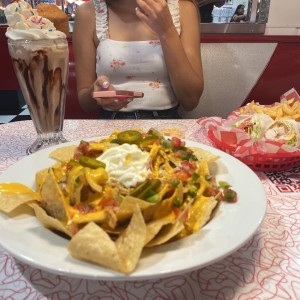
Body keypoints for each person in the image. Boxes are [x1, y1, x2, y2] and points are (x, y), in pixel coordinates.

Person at [72, 0, 204, 119]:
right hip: (110, 122)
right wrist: (96, 93)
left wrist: (167, 31)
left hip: (168, 124)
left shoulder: (184, 9)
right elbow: (85, 102)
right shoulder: (87, 13)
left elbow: (190, 100)